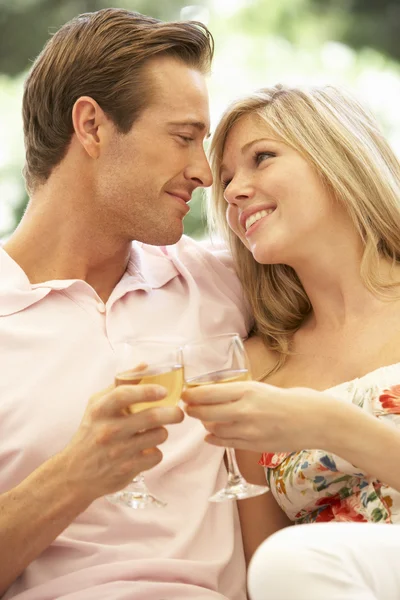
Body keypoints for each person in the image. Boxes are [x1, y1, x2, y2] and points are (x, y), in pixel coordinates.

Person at [0, 8, 252, 599]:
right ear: (91, 126)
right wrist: (74, 476)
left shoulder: (219, 282)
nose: (204, 173)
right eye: (185, 138)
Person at [182, 84, 400, 599]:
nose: (234, 191)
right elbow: (266, 568)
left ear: (337, 157)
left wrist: (329, 424)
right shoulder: (255, 368)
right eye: (229, 179)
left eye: (262, 158)